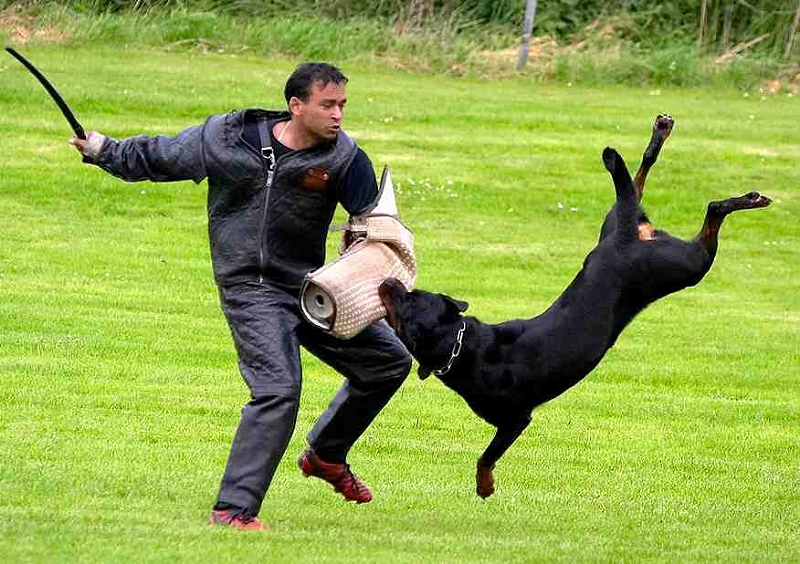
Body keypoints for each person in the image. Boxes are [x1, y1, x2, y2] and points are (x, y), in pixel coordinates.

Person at [70, 62, 412, 531]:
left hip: (312, 289)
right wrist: (103, 149)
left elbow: (374, 232)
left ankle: (327, 455)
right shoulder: (226, 138)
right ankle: (232, 510)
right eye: (327, 105)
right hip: (250, 287)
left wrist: (375, 279)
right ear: (296, 106)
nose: (338, 115)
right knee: (277, 388)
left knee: (388, 362)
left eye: (342, 105)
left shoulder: (345, 158)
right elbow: (161, 156)